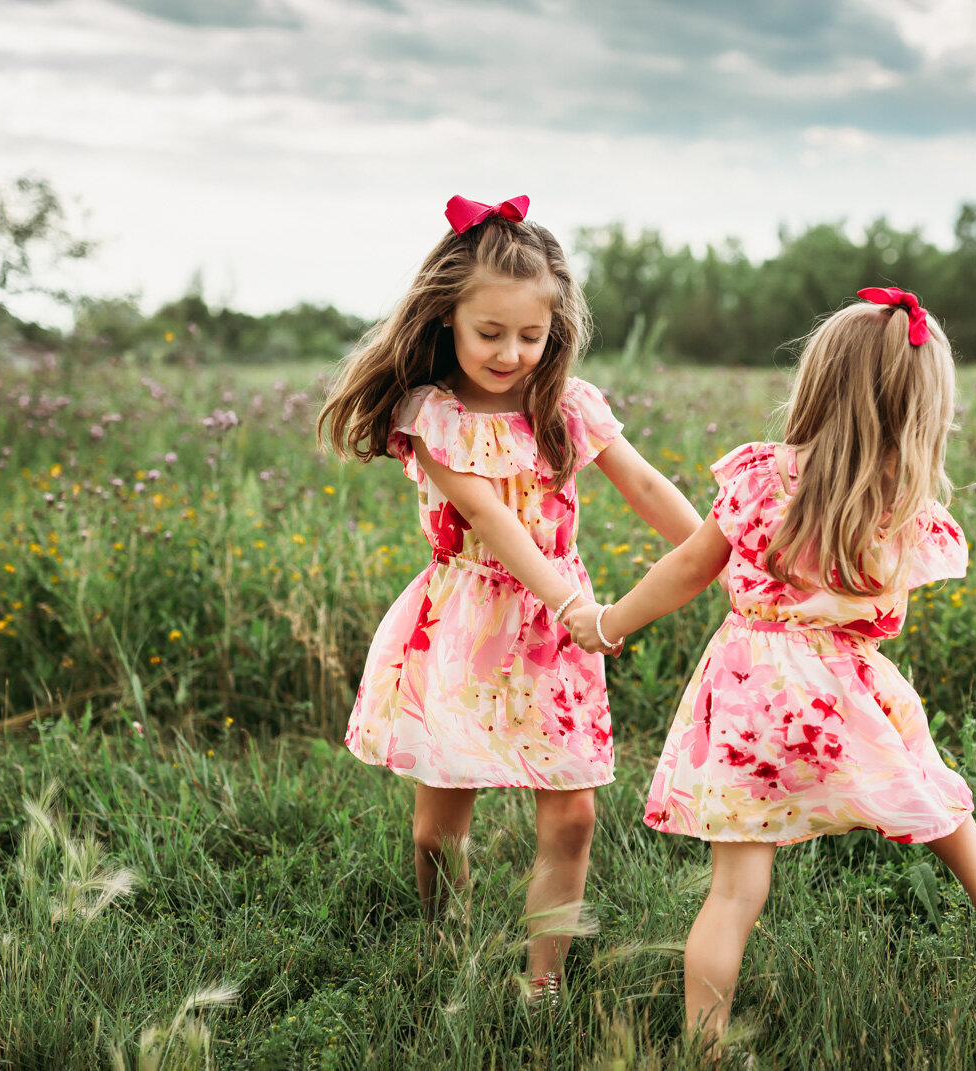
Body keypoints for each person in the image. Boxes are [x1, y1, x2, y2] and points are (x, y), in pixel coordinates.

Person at [567, 288, 976, 1046]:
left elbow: (687, 569)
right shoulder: (901, 508)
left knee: (736, 890)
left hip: (747, 692)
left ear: (815, 383)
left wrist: (608, 622)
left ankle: (706, 1047)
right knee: (930, 791)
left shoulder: (757, 479)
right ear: (921, 411)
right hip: (846, 688)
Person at [318, 195, 702, 1005]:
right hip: (465, 623)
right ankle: (444, 943)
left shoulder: (567, 403)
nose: (511, 352)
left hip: (557, 633)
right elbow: (490, 519)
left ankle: (543, 982)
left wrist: (716, 552)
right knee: (436, 828)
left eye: (532, 335)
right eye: (490, 333)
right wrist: (575, 607)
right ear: (446, 317)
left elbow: (641, 481)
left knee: (572, 818)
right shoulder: (431, 414)